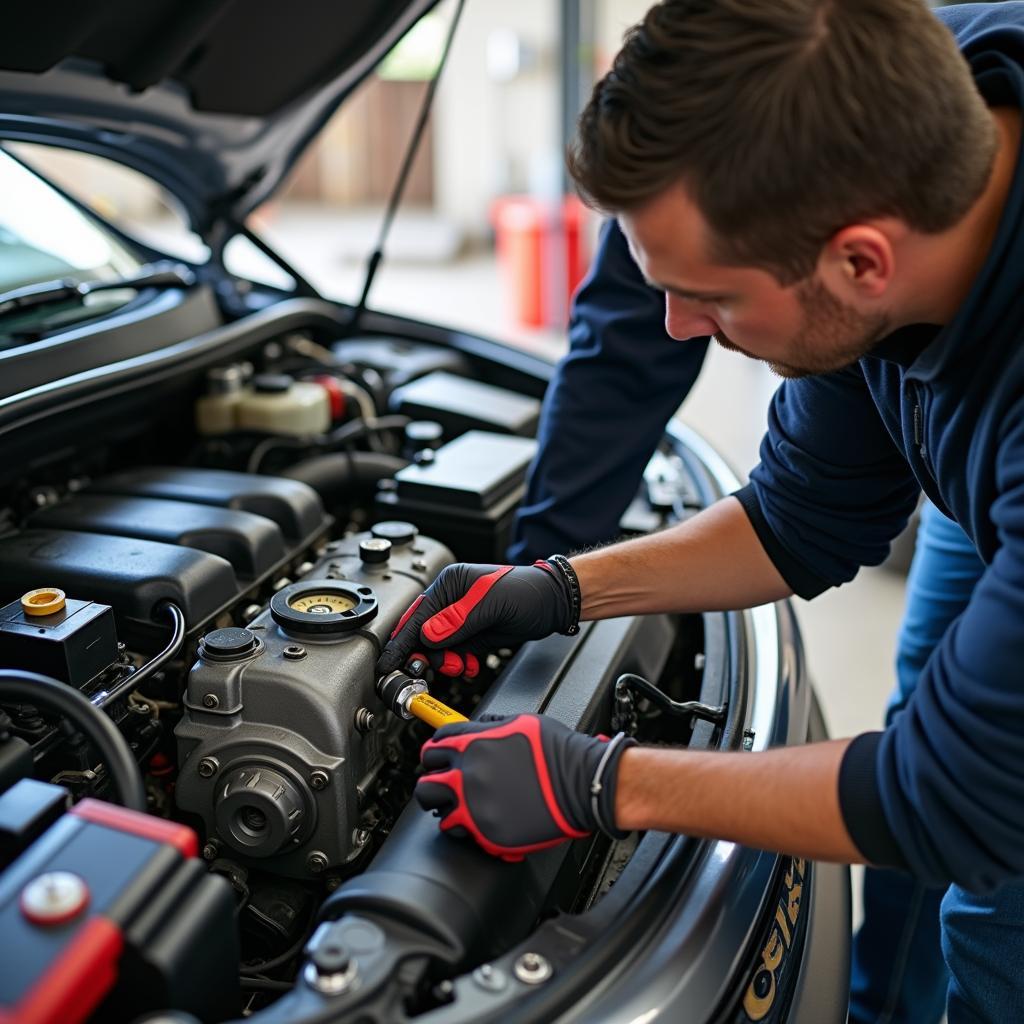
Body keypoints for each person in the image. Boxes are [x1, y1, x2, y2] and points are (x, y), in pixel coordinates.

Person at [378, 1, 1024, 1019]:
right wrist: (556, 588)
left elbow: (951, 794)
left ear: (861, 261)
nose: (676, 326)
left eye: (707, 298)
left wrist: (605, 783)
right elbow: (802, 514)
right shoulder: (894, 131)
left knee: (996, 912)